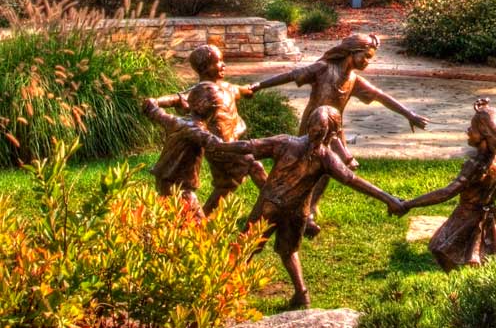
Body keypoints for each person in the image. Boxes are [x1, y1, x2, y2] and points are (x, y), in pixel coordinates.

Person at [215, 105, 404, 308]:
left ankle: (226, 293)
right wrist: (388, 199)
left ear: (307, 125)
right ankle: (301, 294)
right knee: (288, 252)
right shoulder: (327, 158)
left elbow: (249, 146)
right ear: (333, 134)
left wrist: (219, 145)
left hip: (270, 205)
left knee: (246, 246)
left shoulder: (285, 143)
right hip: (298, 212)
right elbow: (353, 180)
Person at [254, 32, 429, 233]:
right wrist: (258, 86)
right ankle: (288, 203)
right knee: (305, 167)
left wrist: (409, 114)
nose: (367, 62)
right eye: (366, 56)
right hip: (314, 129)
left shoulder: (353, 80)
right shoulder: (323, 69)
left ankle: (309, 209)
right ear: (351, 52)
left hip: (334, 131)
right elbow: (291, 75)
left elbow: (381, 96)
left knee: (326, 171)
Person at [396, 98, 496, 271]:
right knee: (483, 251)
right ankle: (474, 274)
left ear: (484, 136)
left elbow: (447, 193)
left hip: (466, 216)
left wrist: (409, 204)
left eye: (472, 128)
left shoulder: (475, 166)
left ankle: (458, 282)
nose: (468, 130)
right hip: (487, 214)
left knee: (440, 246)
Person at [153, 43, 269, 214]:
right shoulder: (200, 91)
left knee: (227, 184)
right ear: (205, 68)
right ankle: (278, 202)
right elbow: (177, 99)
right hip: (218, 147)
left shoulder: (227, 87)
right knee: (254, 166)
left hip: (231, 143)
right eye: (219, 61)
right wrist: (156, 102)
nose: (223, 64)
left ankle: (204, 219)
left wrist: (250, 89)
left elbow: (240, 90)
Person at [143, 83, 258, 221]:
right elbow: (216, 144)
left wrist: (153, 102)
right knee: (197, 227)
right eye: (218, 108)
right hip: (180, 186)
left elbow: (153, 110)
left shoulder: (175, 122)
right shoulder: (196, 131)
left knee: (173, 219)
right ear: (212, 110)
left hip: (164, 179)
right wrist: (251, 147)